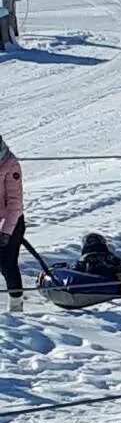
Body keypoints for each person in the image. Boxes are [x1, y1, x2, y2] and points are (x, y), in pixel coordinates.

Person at [0, 133, 25, 312]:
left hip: (11, 221)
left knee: (7, 262)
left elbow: (15, 205)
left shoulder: (10, 165)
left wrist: (5, 232)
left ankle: (16, 303)